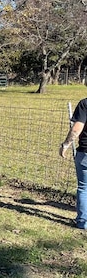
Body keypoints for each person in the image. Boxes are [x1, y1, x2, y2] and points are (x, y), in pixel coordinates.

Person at [60, 98, 87, 230]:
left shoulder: (85, 104)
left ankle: (83, 221)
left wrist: (65, 144)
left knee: (83, 188)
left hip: (85, 153)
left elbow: (77, 128)